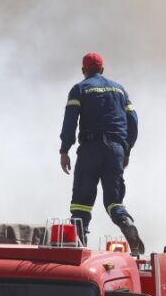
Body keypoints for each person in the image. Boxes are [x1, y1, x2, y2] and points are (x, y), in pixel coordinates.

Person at [59, 52, 144, 254]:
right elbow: (133, 120)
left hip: (90, 149)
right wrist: (127, 149)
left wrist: (65, 149)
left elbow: (70, 121)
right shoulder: (120, 89)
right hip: (115, 150)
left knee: (82, 200)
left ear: (83, 71)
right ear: (103, 69)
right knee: (114, 201)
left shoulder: (80, 89)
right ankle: (124, 221)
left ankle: (79, 242)